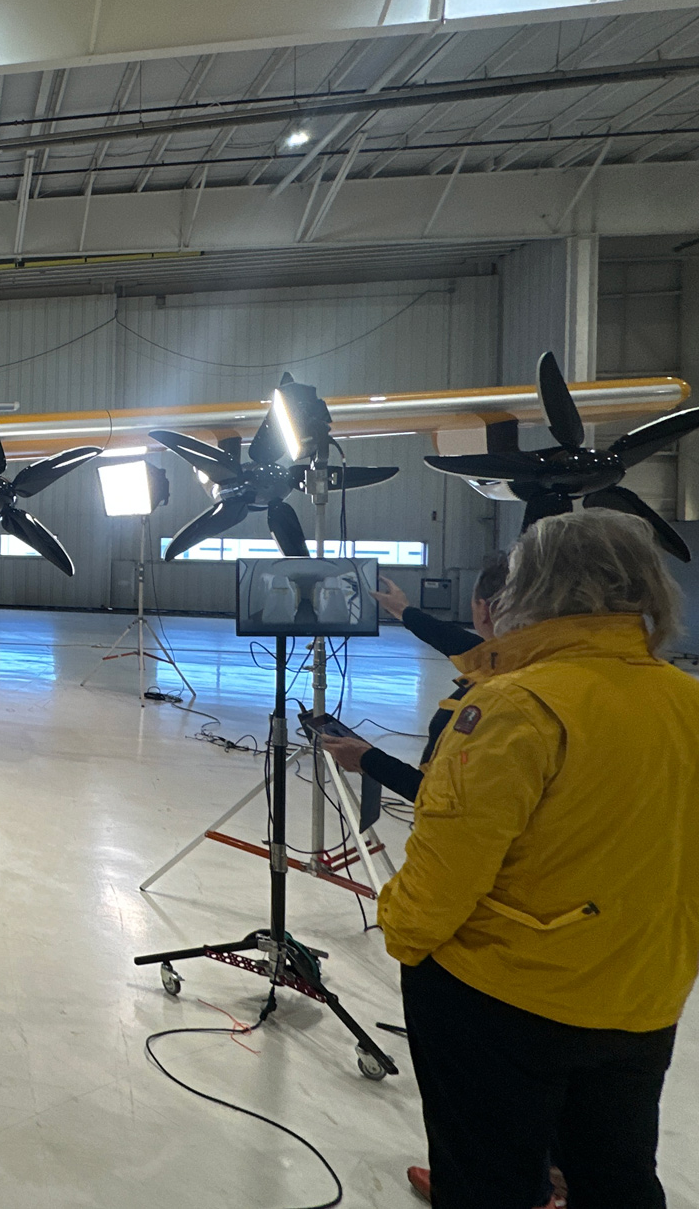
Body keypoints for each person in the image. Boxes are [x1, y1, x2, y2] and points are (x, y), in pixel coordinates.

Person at [373, 509, 699, 1209]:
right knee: (617, 1173)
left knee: (487, 1177)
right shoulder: (689, 700)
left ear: (534, 588)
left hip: (506, 999)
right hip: (644, 993)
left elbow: (443, 877)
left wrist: (400, 931)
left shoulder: (514, 706)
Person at [321, 556, 508, 802]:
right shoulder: (522, 660)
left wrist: (367, 759)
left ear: (484, 611)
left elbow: (444, 797)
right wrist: (403, 610)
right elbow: (461, 643)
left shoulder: (497, 698)